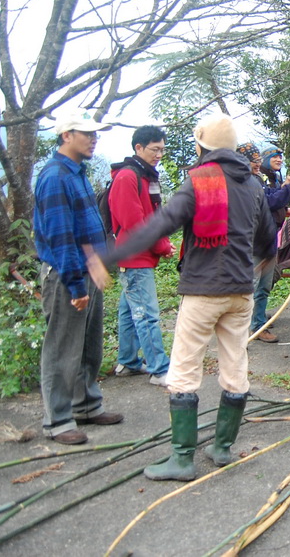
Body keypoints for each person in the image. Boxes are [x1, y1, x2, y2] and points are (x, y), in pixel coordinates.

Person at [93, 114, 277, 481]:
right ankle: (222, 447)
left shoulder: (198, 180)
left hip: (204, 289)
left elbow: (159, 224)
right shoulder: (253, 184)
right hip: (241, 292)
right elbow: (267, 239)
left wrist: (108, 258)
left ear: (201, 147)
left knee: (183, 371)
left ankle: (181, 458)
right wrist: (258, 263)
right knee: (235, 366)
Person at [33, 112, 123, 445]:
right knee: (62, 347)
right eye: (87, 133)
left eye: (95, 133)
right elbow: (59, 237)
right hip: (65, 275)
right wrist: (74, 285)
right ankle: (57, 421)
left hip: (87, 269)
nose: (93, 138)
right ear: (67, 135)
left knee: (88, 344)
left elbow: (85, 229)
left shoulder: (78, 173)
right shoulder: (56, 177)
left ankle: (86, 405)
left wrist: (96, 264)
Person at [108, 125, 174, 387]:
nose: (159, 154)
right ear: (138, 147)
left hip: (140, 256)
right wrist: (161, 246)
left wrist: (163, 242)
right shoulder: (127, 177)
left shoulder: (146, 176)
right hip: (134, 256)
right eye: (154, 149)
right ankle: (159, 369)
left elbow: (153, 216)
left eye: (161, 150)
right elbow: (135, 223)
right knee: (146, 314)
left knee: (129, 312)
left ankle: (128, 361)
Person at [247, 143, 290, 342]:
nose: (279, 160)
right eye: (274, 157)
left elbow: (273, 200)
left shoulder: (269, 178)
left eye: (280, 156)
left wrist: (285, 193)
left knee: (263, 286)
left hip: (269, 239)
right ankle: (251, 325)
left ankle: (258, 321)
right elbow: (269, 202)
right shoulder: (250, 180)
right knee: (253, 286)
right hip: (255, 241)